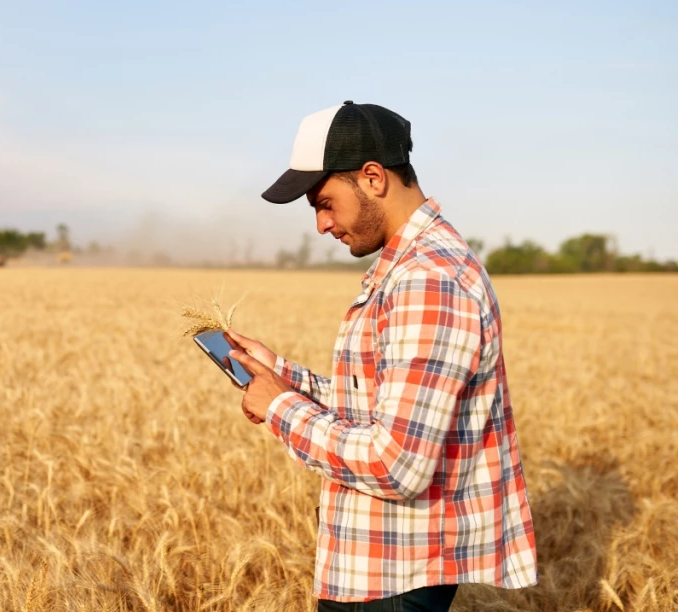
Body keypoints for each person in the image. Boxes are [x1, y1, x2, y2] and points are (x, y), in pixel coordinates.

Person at [224, 101, 537, 611]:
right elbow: (377, 403)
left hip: (392, 578)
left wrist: (280, 408)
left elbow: (396, 463)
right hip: (382, 568)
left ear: (373, 177)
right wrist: (280, 374)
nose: (322, 225)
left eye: (325, 203)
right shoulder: (411, 266)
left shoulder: (427, 279)